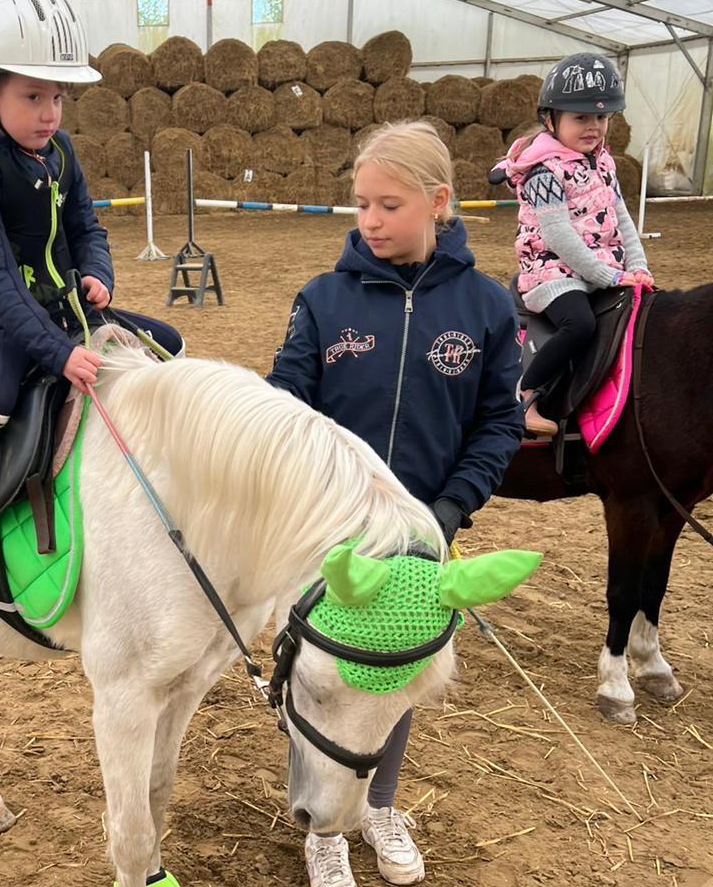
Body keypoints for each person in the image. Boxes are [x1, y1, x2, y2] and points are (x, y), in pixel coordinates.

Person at [267, 121, 523, 887]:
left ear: (438, 202)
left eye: (389, 204)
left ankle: (377, 804)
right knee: (323, 674)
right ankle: (323, 824)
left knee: (393, 670)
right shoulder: (323, 301)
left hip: (421, 537)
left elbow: (499, 422)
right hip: (330, 535)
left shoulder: (488, 307)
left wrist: (449, 507)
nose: (370, 221)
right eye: (362, 204)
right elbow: (284, 406)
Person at [0, 0, 182, 567]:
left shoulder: (60, 152)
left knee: (166, 342)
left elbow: (85, 226)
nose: (50, 113)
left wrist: (98, 274)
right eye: (33, 97)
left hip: (66, 306)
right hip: (0, 318)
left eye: (57, 97)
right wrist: (58, 353)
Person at [494, 52, 652, 436]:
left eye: (601, 118)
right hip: (551, 270)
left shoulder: (604, 163)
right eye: (580, 118)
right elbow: (558, 236)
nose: (593, 127)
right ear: (551, 119)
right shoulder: (544, 172)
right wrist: (608, 275)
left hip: (599, 266)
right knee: (579, 324)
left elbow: (622, 219)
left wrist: (638, 267)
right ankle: (525, 393)